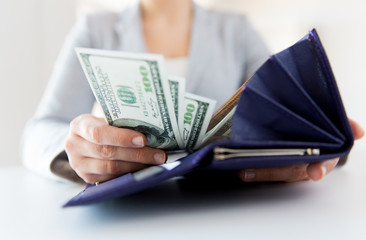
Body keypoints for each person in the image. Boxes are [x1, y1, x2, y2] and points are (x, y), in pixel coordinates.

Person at [21, 0, 364, 184]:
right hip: (134, 217)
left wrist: (325, 137)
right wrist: (79, 154)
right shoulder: (94, 30)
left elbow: (284, 102)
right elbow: (40, 130)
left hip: (231, 210)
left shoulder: (237, 30)